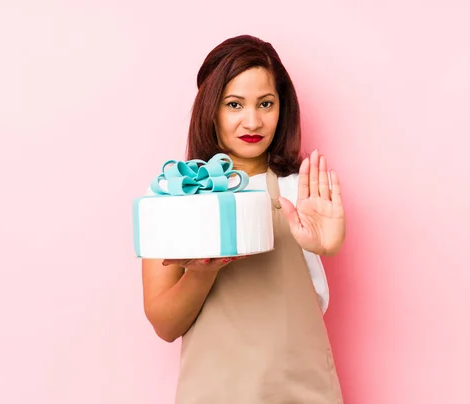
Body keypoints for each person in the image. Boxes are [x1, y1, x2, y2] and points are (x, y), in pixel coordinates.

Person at [141, 34, 346, 403]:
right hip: (214, 392)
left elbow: (313, 297)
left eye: (265, 104)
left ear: (282, 108)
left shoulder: (300, 189)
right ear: (211, 109)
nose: (252, 121)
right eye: (234, 104)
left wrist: (324, 247)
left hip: (300, 389)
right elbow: (164, 324)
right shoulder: (178, 196)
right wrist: (203, 271)